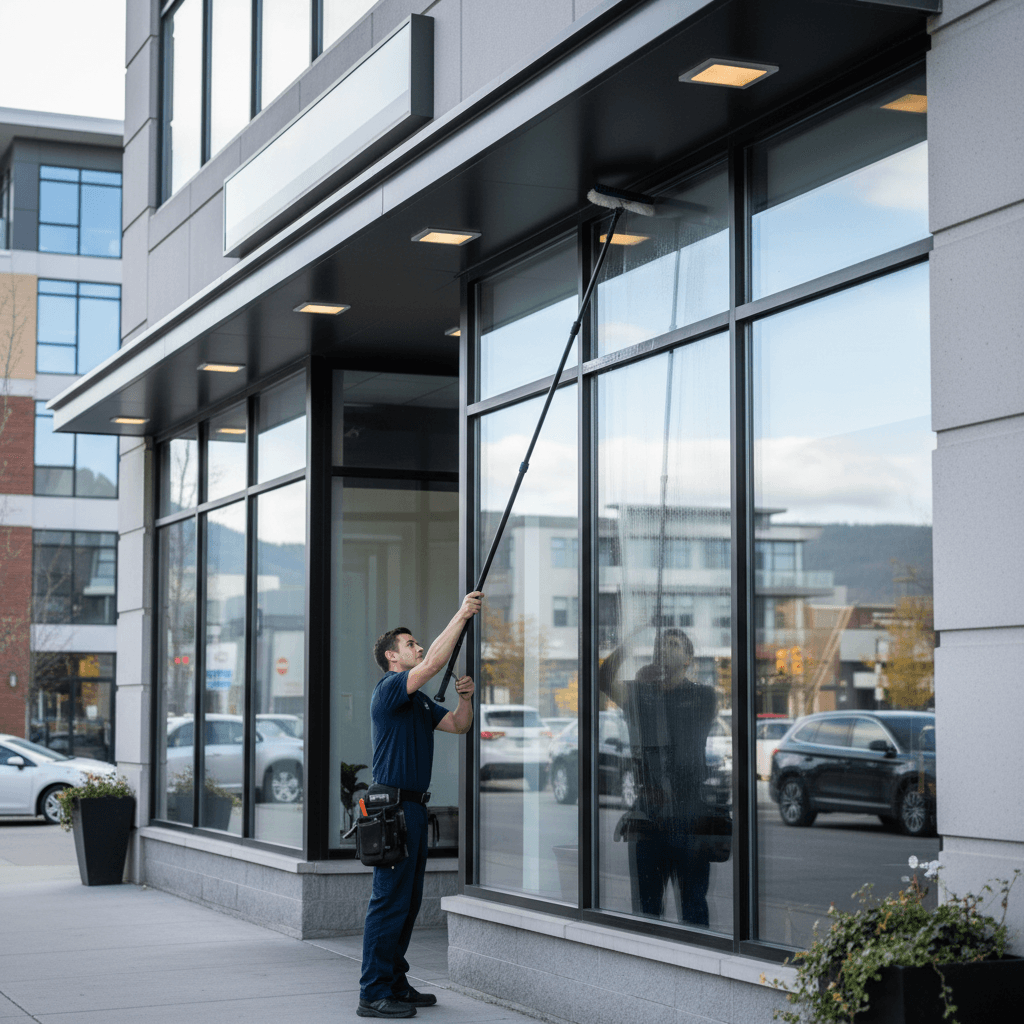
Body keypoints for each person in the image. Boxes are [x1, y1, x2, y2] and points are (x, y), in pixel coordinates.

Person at [357, 591, 482, 1019]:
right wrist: (461, 614)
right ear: (393, 657)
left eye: (417, 643)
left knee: (408, 901)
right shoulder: (391, 689)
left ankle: (395, 982)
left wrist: (465, 698)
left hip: (412, 809)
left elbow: (459, 726)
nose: (419, 647)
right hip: (391, 810)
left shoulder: (419, 701)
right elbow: (431, 667)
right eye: (410, 644)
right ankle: (372, 992)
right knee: (388, 900)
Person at [601, 628, 718, 927]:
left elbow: (679, 738)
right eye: (659, 645)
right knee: (647, 907)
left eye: (674, 644)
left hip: (689, 814)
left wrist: (652, 687)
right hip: (649, 813)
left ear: (688, 658)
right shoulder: (640, 694)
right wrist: (631, 642)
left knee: (693, 904)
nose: (664, 649)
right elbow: (603, 679)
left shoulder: (702, 696)